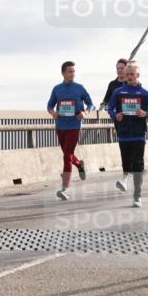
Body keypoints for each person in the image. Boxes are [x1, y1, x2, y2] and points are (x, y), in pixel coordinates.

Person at [107, 60, 148, 207]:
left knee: (138, 164)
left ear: (138, 75)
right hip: (123, 134)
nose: (130, 76)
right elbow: (110, 109)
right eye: (128, 74)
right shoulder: (118, 93)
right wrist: (115, 115)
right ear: (125, 75)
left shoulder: (144, 93)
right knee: (126, 165)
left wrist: (146, 114)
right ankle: (128, 182)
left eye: (133, 74)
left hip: (138, 134)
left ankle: (137, 196)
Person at [47, 61, 93, 200]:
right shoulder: (57, 89)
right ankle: (79, 164)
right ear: (63, 73)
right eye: (70, 71)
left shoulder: (79, 88)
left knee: (67, 156)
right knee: (68, 154)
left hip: (74, 125)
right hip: (60, 126)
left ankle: (64, 188)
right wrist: (53, 113)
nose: (72, 74)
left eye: (74, 71)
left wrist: (85, 113)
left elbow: (91, 104)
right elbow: (50, 105)